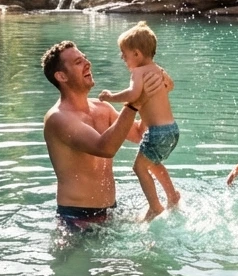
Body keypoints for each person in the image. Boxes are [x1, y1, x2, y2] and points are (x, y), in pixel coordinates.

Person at [41, 40, 163, 231]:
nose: (87, 63)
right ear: (61, 76)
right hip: (76, 218)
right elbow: (104, 148)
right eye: (78, 62)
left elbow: (139, 133)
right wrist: (134, 104)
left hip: (110, 212)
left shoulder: (103, 108)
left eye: (85, 58)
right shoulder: (58, 118)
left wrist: (151, 94)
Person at [98, 22, 180, 221]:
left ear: (136, 54)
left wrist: (110, 96)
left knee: (139, 167)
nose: (122, 58)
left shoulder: (138, 72)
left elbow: (133, 94)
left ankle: (155, 207)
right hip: (172, 130)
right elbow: (170, 86)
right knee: (153, 162)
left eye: (124, 54)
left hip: (156, 132)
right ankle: (173, 196)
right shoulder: (158, 69)